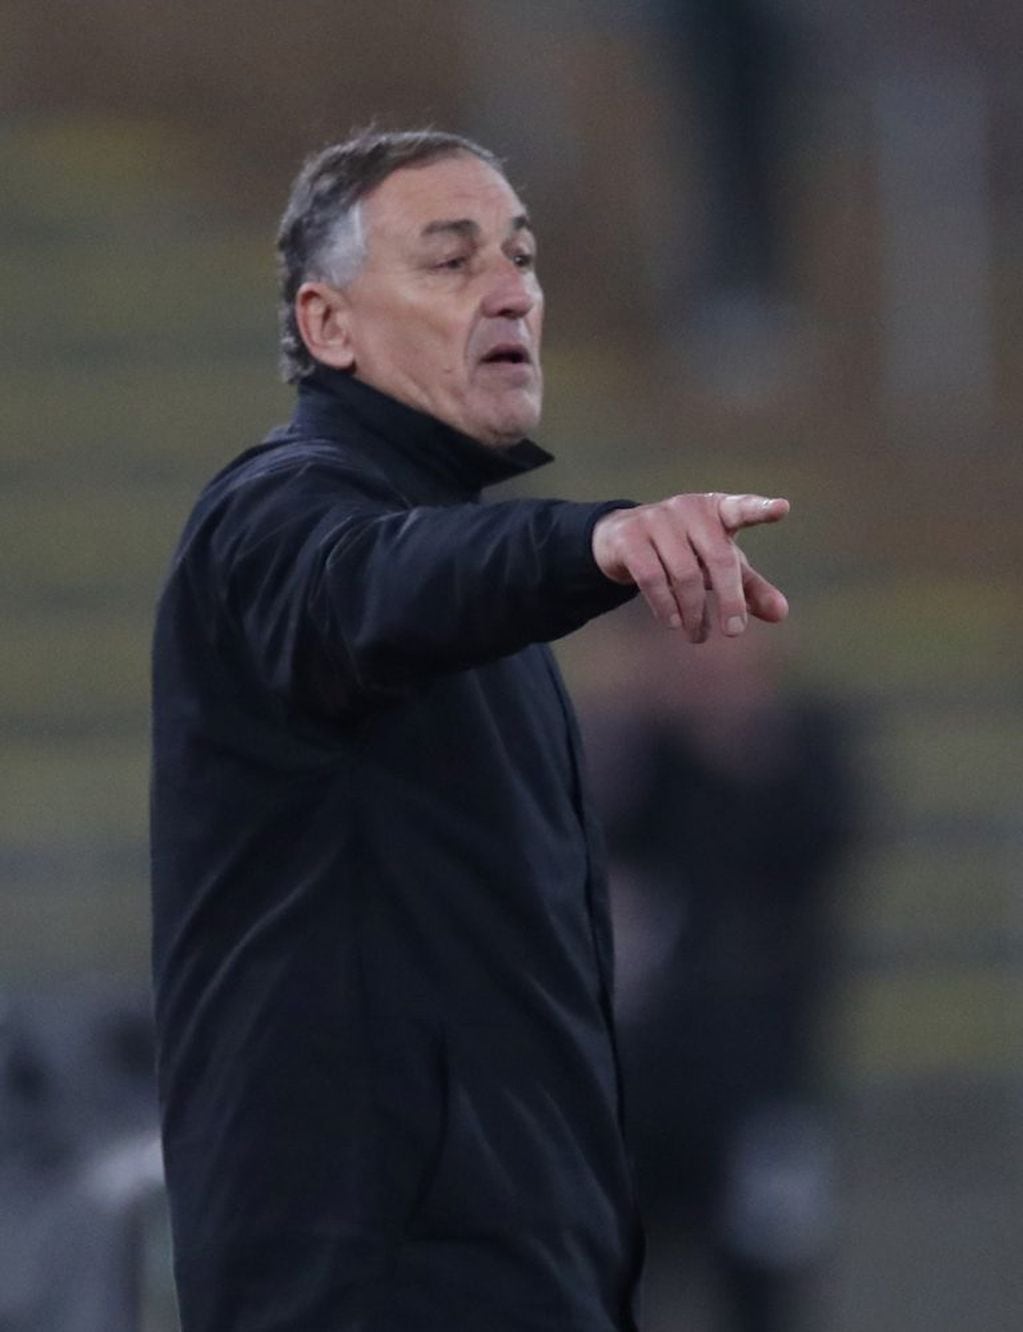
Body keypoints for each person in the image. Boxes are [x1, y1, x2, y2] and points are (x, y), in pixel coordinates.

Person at [150, 127, 790, 1332]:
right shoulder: (274, 516)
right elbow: (378, 580)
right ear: (328, 326)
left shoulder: (475, 586)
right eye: (451, 262)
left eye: (524, 257)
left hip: (511, 1268)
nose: (512, 291)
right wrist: (589, 542)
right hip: (378, 1282)